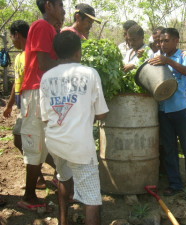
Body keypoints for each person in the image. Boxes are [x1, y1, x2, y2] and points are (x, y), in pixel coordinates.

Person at [40, 30, 108, 225]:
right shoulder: (89, 73)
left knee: (63, 177)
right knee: (92, 198)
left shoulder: (46, 77)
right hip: (79, 145)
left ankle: (63, 221)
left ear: (56, 52)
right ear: (78, 52)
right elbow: (102, 113)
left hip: (54, 141)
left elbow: (45, 118)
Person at [17, 0, 65, 210]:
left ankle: (35, 191)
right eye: (60, 5)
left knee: (43, 144)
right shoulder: (42, 26)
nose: (63, 10)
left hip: (43, 91)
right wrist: (70, 62)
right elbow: (44, 63)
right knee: (36, 144)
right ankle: (29, 196)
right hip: (37, 91)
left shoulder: (51, 29)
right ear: (49, 6)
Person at [148, 28, 186, 196]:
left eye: (166, 41)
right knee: (169, 149)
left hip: (180, 110)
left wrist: (169, 61)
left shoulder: (184, 56)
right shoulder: (155, 58)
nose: (162, 44)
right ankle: (175, 184)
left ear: (176, 40)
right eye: (160, 41)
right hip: (163, 110)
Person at [3, 20, 49, 190]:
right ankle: (40, 177)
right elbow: (17, 82)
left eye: (11, 36)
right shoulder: (19, 57)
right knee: (23, 140)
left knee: (24, 140)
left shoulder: (32, 54)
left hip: (32, 102)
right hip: (22, 103)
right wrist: (9, 105)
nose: (12, 40)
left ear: (16, 35)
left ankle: (47, 174)